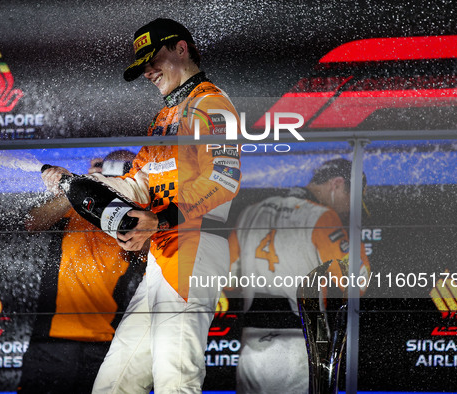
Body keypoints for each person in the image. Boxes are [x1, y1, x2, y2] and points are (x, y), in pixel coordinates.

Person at [59, 18, 241, 393]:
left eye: (153, 59)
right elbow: (137, 184)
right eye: (143, 65)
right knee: (115, 383)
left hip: (195, 249)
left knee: (175, 378)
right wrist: (76, 182)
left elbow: (224, 180)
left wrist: (159, 220)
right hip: (163, 255)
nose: (148, 72)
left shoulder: (212, 103)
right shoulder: (163, 119)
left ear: (181, 48)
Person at [228, 158, 371, 394]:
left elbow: (229, 280)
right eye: (352, 200)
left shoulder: (250, 213)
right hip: (300, 348)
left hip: (252, 346)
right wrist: (354, 240)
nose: (349, 209)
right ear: (336, 184)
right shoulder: (323, 218)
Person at [18, 150, 145, 394]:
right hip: (53, 340)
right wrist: (81, 188)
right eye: (106, 170)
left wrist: (116, 196)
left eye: (121, 172)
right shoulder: (75, 205)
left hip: (105, 344)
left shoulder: (137, 215)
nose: (111, 177)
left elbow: (145, 250)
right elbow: (33, 222)